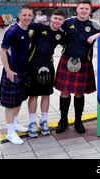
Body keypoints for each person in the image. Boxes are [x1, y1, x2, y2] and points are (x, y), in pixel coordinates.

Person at [55, 0, 100, 134]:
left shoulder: (94, 24)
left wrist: (96, 35)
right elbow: (54, 26)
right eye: (81, 8)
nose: (83, 11)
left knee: (79, 93)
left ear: (90, 11)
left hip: (84, 63)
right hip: (67, 61)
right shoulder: (68, 22)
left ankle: (78, 122)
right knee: (64, 92)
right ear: (77, 9)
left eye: (86, 9)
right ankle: (63, 121)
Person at [25, 10, 66, 138]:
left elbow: (69, 44)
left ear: (63, 21)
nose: (57, 21)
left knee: (46, 94)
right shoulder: (39, 27)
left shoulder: (60, 34)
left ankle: (44, 121)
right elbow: (24, 24)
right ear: (51, 18)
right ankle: (32, 123)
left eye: (60, 19)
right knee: (33, 95)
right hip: (33, 65)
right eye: (55, 18)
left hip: (48, 66)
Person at [0, 4, 33, 145]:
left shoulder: (30, 30)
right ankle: (10, 132)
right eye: (24, 15)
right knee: (10, 105)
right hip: (12, 72)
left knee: (19, 100)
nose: (27, 17)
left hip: (24, 72)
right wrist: (8, 71)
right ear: (19, 15)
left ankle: (15, 123)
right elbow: (2, 51)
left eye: (29, 15)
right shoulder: (12, 31)